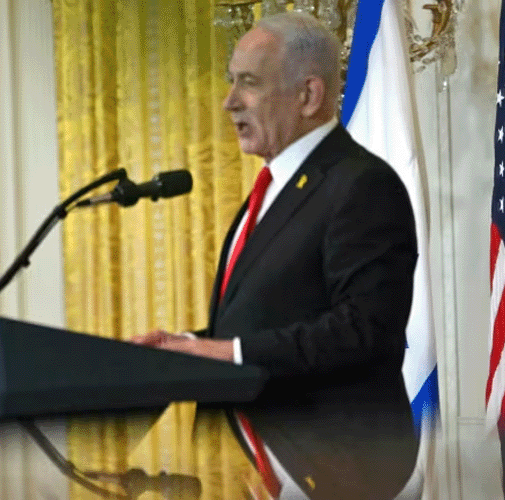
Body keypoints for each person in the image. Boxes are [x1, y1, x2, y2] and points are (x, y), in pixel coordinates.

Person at [133, 12, 419, 500]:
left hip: (333, 470)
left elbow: (364, 330)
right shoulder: (269, 192)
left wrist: (227, 354)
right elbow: (267, 319)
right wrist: (186, 346)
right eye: (232, 82)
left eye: (249, 83)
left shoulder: (362, 184)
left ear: (308, 95)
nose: (229, 101)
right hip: (255, 469)